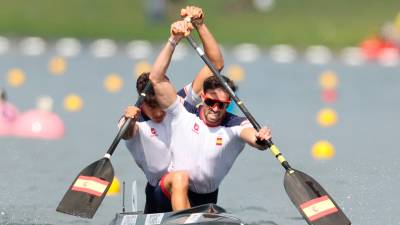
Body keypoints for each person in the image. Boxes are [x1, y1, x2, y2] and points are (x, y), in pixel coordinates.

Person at [148, 15, 272, 211]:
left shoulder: (237, 125)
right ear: (203, 97)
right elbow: (155, 79)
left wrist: (261, 139)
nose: (215, 108)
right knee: (181, 178)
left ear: (229, 103)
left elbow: (254, 139)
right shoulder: (183, 110)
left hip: (204, 201)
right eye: (211, 102)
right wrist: (173, 40)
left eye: (221, 105)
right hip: (165, 194)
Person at [120, 6, 224, 213]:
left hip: (199, 192)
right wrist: (128, 120)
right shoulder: (134, 120)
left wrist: (200, 25)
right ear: (142, 105)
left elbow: (216, 64)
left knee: (187, 178)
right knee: (179, 177)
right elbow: (127, 132)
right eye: (152, 108)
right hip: (161, 194)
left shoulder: (181, 103)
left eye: (162, 106)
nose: (160, 113)